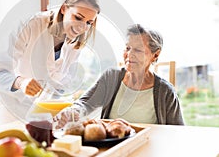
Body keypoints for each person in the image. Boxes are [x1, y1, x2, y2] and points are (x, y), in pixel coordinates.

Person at [0, 0, 101, 126]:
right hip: (9, 109)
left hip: (39, 114)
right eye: (78, 17)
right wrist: (20, 82)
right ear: (64, 8)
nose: (82, 27)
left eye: (89, 23)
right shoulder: (30, 25)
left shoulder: (74, 42)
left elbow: (60, 85)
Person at [54, 24, 184, 128]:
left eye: (138, 50)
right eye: (127, 48)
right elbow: (85, 103)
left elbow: (178, 133)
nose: (130, 55)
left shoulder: (165, 92)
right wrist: (73, 112)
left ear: (155, 55)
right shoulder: (111, 77)